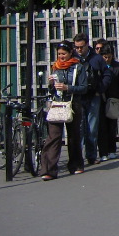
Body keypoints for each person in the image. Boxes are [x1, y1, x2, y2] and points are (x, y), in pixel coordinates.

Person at [40, 41, 89, 180]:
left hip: (73, 104)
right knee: (53, 136)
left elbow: (84, 87)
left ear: (70, 53)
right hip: (57, 104)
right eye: (59, 54)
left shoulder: (78, 67)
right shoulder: (55, 67)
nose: (61, 56)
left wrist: (68, 88)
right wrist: (50, 85)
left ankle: (76, 165)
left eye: (64, 54)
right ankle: (49, 170)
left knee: (73, 136)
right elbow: (52, 90)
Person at [73, 32, 103, 165]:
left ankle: (91, 155)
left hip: (92, 96)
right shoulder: (73, 58)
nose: (79, 50)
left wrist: (100, 89)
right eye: (77, 47)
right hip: (78, 96)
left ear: (87, 45)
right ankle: (78, 157)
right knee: (78, 128)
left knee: (92, 127)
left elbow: (107, 74)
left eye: (81, 47)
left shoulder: (96, 58)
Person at [97, 44, 119, 161]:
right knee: (102, 126)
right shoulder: (98, 66)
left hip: (114, 99)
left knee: (112, 125)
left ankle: (112, 150)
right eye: (105, 57)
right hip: (101, 98)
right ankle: (103, 152)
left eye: (109, 57)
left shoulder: (118, 67)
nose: (107, 59)